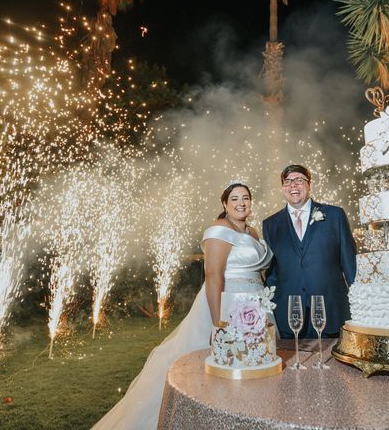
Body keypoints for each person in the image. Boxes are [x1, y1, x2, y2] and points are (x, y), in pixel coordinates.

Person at [92, 182, 273, 430]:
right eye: (234, 199)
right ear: (225, 204)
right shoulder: (219, 230)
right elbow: (213, 276)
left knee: (253, 364)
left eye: (246, 198)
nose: (241, 203)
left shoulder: (253, 232)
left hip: (256, 303)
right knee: (212, 370)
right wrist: (217, 321)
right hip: (227, 303)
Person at [263, 164, 357, 339]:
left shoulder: (334, 215)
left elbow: (349, 264)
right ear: (283, 187)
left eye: (299, 180)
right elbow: (273, 272)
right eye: (288, 181)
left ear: (309, 185)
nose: (293, 185)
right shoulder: (270, 224)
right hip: (289, 314)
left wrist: (360, 302)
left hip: (331, 309)